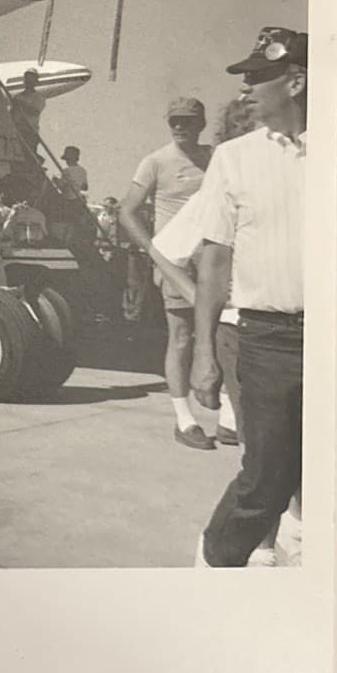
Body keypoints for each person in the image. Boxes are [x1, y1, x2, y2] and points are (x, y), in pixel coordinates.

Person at [191, 27, 307, 568]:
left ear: (298, 81)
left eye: (258, 78)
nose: (244, 89)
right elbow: (213, 262)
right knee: (266, 480)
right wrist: (204, 356)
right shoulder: (233, 158)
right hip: (269, 341)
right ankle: (215, 563)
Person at [119, 97, 213, 447]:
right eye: (174, 120)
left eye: (187, 121)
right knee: (182, 337)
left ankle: (232, 418)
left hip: (215, 261)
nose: (179, 127)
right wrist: (156, 254)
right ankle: (185, 420)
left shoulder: (216, 158)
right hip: (176, 263)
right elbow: (126, 212)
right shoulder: (155, 162)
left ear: (200, 124)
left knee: (223, 336)